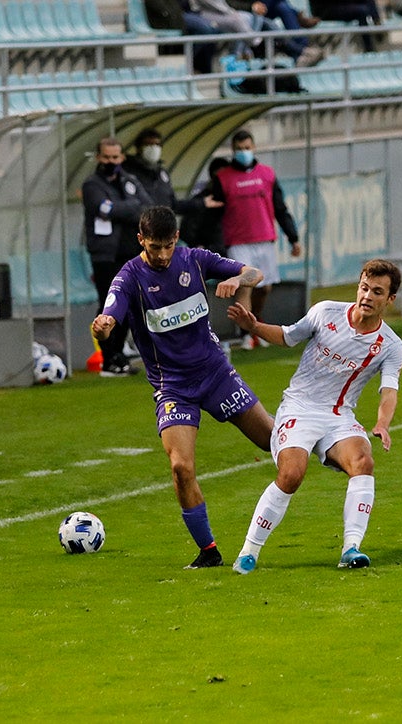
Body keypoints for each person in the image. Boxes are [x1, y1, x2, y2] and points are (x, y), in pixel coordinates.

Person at [90, 206, 276, 569]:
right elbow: (111, 310)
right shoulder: (129, 278)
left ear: (176, 239)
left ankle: (333, 450)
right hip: (173, 387)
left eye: (167, 246)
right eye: (154, 247)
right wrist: (104, 325)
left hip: (216, 373)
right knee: (180, 468)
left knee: (274, 441)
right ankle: (209, 551)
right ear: (141, 240)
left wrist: (238, 280)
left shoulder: (195, 259)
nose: (161, 255)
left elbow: (255, 273)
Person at [227, 258, 402, 573]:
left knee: (363, 461)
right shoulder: (326, 312)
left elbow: (389, 390)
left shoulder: (390, 345)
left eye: (377, 292)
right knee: (292, 474)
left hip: (338, 416)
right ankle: (249, 551)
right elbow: (287, 336)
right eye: (364, 288)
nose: (367, 296)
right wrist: (253, 327)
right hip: (299, 407)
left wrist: (382, 424)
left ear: (390, 299)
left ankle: (351, 548)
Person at [211, 128, 302, 349]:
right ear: (233, 151)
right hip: (238, 242)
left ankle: (254, 323)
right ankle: (245, 334)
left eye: (247, 148)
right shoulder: (222, 179)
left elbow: (280, 208)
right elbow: (213, 213)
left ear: (254, 148)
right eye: (239, 149)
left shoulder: (267, 174)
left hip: (265, 239)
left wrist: (293, 238)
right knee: (245, 287)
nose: (244, 152)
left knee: (265, 287)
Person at [82, 137, 153, 377]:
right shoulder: (92, 184)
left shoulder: (129, 181)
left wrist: (123, 208)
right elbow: (102, 209)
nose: (111, 162)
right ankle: (108, 357)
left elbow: (146, 208)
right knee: (108, 303)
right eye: (107, 157)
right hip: (105, 254)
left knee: (130, 303)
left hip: (130, 253)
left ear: (122, 158)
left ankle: (118, 354)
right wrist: (130, 208)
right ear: (99, 158)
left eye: (115, 157)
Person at [178, 157, 229, 256]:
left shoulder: (235, 198)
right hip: (211, 255)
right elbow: (187, 228)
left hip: (234, 249)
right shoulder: (201, 201)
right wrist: (199, 247)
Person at [122, 128, 177, 212]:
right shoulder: (127, 171)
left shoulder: (162, 173)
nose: (153, 148)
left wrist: (201, 203)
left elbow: (173, 203)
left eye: (157, 144)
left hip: (162, 223)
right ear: (138, 148)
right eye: (148, 144)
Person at [308, 0, 381, 52]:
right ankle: (368, 48)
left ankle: (377, 24)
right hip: (325, 10)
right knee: (362, 11)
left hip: (338, 4)